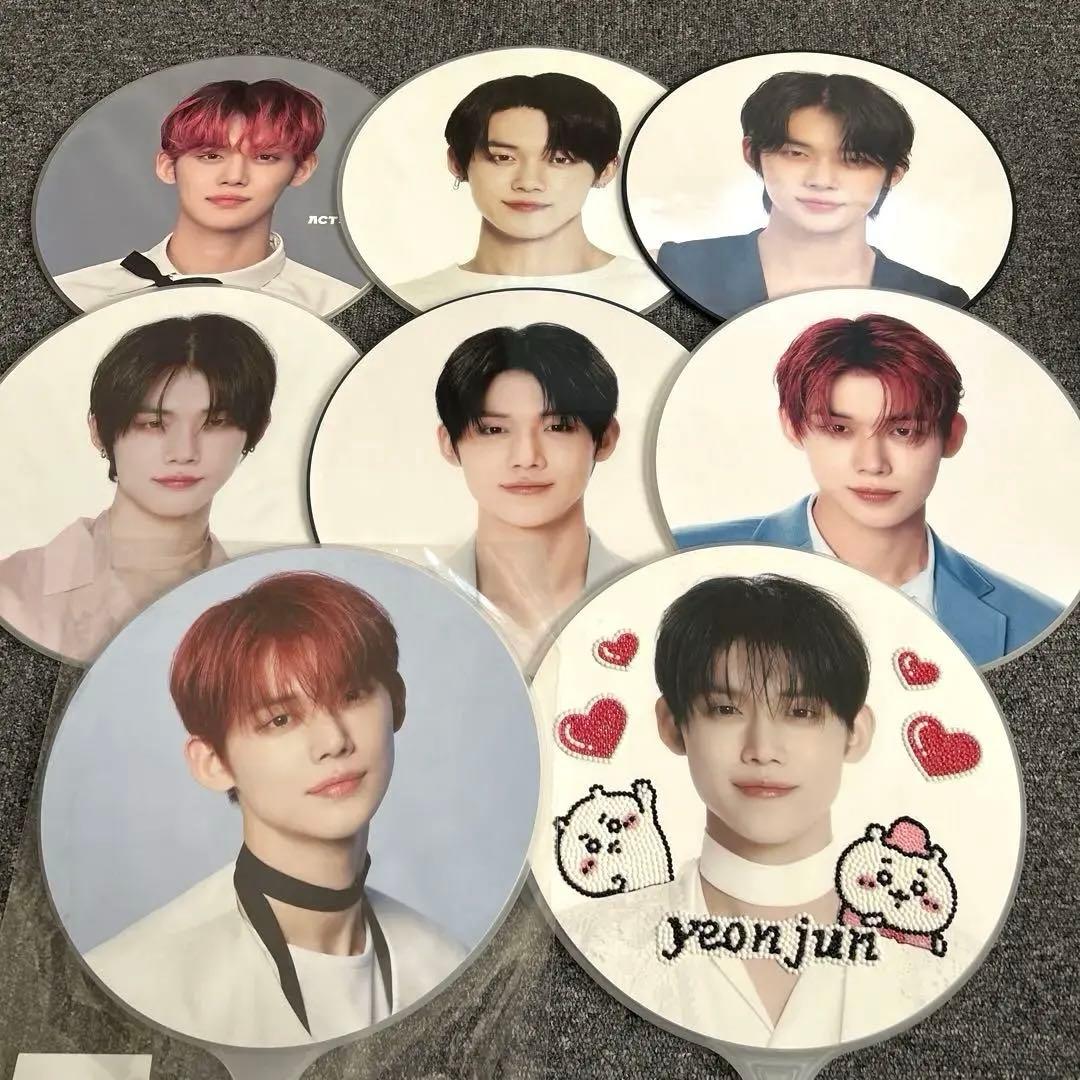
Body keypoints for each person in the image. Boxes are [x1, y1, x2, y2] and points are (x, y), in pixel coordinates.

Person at [560, 574, 962, 1048]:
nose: (763, 749)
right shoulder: (584, 945)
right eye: (724, 709)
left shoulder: (945, 964)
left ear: (856, 732)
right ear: (671, 724)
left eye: (801, 712)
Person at [84, 571, 466, 1047]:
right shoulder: (126, 987)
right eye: (279, 719)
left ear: (398, 704)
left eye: (351, 695)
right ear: (213, 763)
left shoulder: (447, 965)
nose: (333, 741)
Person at [672, 314, 1062, 665]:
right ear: (792, 426)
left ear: (952, 435)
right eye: (839, 429)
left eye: (903, 431)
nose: (873, 463)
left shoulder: (1036, 620)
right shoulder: (679, 557)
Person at [0, 314, 276, 662]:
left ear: (257, 430)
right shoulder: (14, 589)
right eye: (153, 424)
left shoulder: (263, 607)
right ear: (98, 431)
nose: (183, 452)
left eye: (215, 422)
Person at [655, 72, 969, 319]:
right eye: (796, 153)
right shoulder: (677, 266)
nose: (821, 180)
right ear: (752, 153)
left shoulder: (936, 302)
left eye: (855, 159)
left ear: (894, 173)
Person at [53, 80, 358, 316]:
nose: (234, 176)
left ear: (302, 170)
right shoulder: (81, 294)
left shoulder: (335, 304)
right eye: (210, 155)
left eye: (264, 157)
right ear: (167, 166)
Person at [434, 322, 626, 662]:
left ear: (606, 439)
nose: (526, 458)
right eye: (494, 430)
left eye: (558, 427)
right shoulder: (410, 607)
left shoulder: (661, 594)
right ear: (449, 444)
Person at [396, 73, 661, 311]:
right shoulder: (416, 299)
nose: (528, 183)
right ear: (456, 162)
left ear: (607, 170)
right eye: (502, 157)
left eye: (560, 159)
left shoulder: (650, 289)